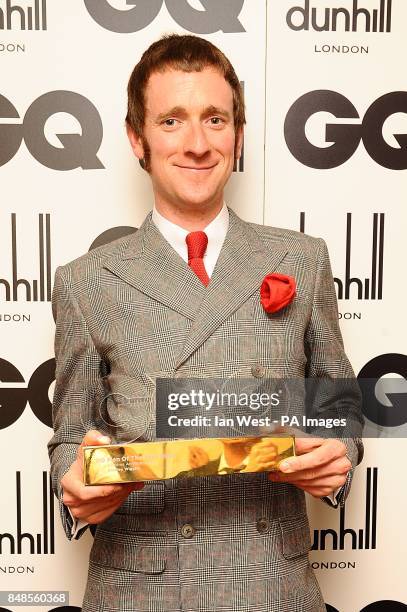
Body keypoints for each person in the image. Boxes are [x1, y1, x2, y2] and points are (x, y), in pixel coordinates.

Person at [48, 34, 364, 612]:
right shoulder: (85, 280)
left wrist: (337, 452)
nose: (197, 143)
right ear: (136, 138)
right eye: (172, 121)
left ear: (238, 135)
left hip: (269, 586)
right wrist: (76, 475)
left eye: (215, 119)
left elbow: (337, 405)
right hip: (137, 594)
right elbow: (72, 435)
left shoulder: (301, 259)